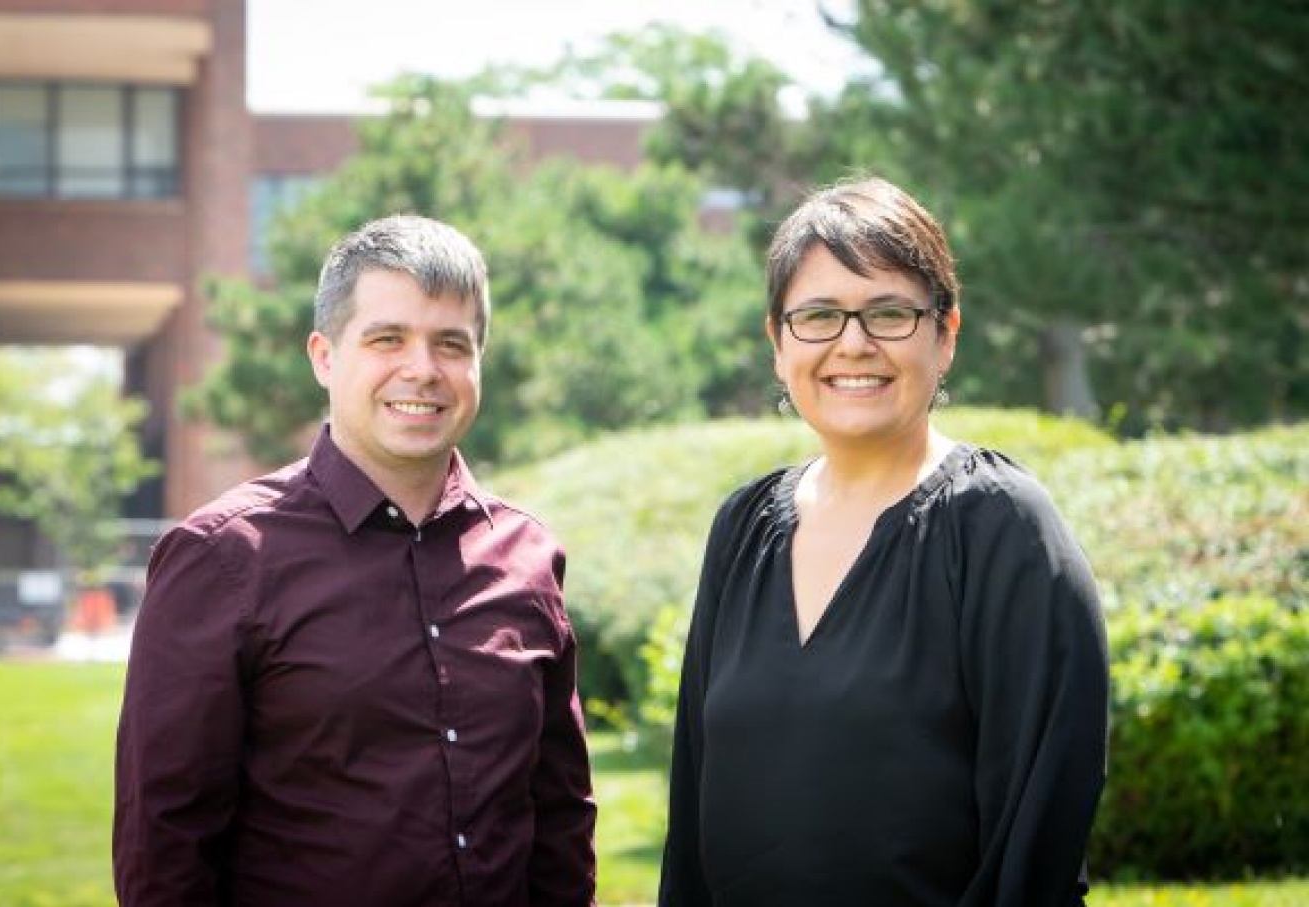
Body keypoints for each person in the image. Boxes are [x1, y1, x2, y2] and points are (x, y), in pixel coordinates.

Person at [114, 214, 597, 906]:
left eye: (451, 344)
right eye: (387, 338)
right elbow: (164, 848)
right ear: (324, 356)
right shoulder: (221, 559)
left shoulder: (528, 557)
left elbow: (560, 819)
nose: (423, 369)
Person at [658, 177, 1109, 907]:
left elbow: (1035, 840)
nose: (853, 344)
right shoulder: (741, 530)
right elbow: (693, 817)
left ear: (946, 335)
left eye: (890, 312)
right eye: (819, 316)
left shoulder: (1000, 527)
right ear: (777, 343)